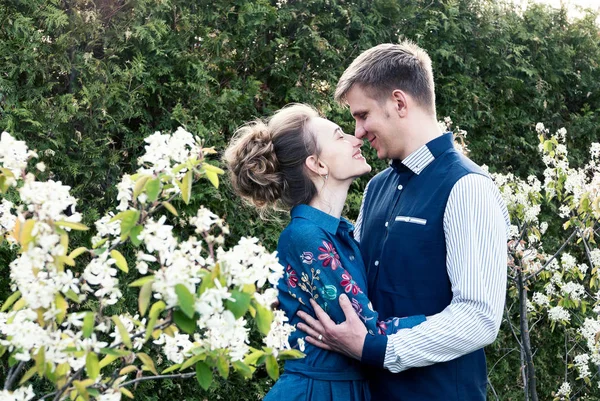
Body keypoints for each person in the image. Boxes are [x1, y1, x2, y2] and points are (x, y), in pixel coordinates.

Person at [297, 42, 510, 400]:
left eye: (363, 115)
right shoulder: (376, 188)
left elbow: (479, 318)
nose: (359, 131)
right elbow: (355, 286)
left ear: (399, 103)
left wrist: (376, 348)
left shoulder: (467, 187)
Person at [224, 104, 426, 401]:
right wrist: (450, 321)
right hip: (317, 391)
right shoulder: (304, 237)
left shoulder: (340, 234)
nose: (356, 139)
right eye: (339, 136)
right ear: (317, 165)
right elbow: (368, 330)